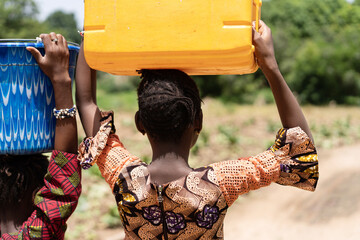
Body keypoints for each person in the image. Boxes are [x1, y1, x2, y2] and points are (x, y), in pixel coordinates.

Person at [76, 20, 318, 239]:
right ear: (198, 122)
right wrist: (270, 65)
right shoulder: (221, 182)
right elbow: (298, 149)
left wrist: (92, 34)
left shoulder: (124, 177)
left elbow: (86, 102)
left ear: (140, 124)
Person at [0, 33, 81, 239]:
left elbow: (63, 181)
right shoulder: (37, 234)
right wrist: (61, 79)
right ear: (39, 195)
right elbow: (63, 182)